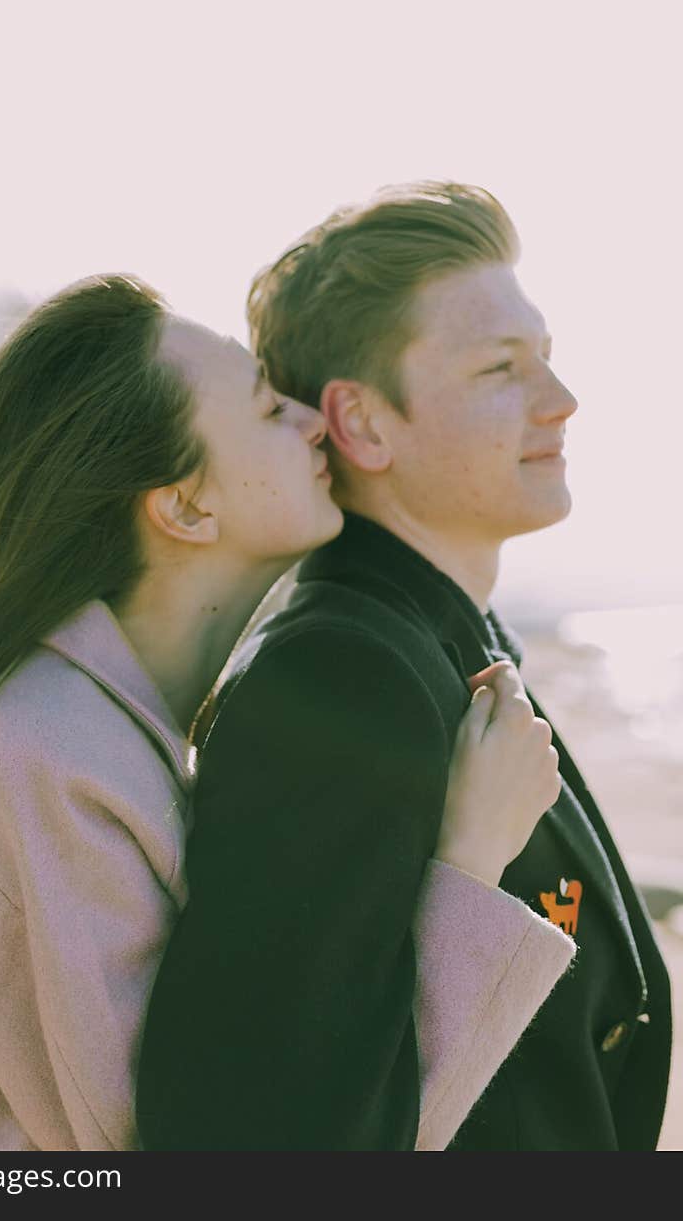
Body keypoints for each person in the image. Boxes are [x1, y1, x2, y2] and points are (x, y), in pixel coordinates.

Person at [0, 272, 570, 1152]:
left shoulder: (95, 727)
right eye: (263, 409)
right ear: (185, 505)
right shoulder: (49, 758)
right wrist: (471, 858)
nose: (314, 419)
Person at [136, 183, 672, 1152]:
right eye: (500, 369)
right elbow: (258, 1140)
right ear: (365, 425)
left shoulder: (439, 633)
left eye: (544, 356)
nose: (559, 400)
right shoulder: (343, 676)